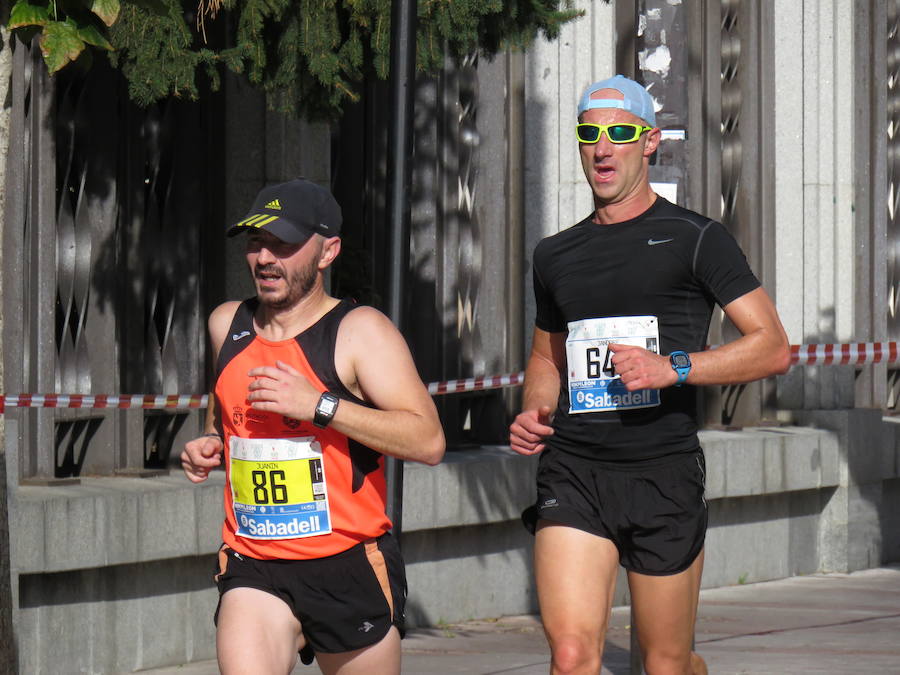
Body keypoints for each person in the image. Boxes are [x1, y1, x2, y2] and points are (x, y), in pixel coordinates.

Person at [509, 75, 791, 675]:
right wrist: (536, 408)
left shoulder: (697, 238)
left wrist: (675, 367)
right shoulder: (554, 254)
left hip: (662, 470)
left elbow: (771, 347)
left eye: (618, 133)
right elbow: (545, 357)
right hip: (576, 469)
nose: (602, 148)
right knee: (570, 653)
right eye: (590, 133)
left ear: (650, 142)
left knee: (664, 663)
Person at [181, 178, 445, 675]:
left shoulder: (360, 332)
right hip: (253, 559)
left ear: (328, 252)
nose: (264, 258)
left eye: (283, 244)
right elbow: (224, 414)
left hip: (347, 562)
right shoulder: (226, 324)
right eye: (256, 243)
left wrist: (319, 405)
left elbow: (428, 441)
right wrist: (211, 442)